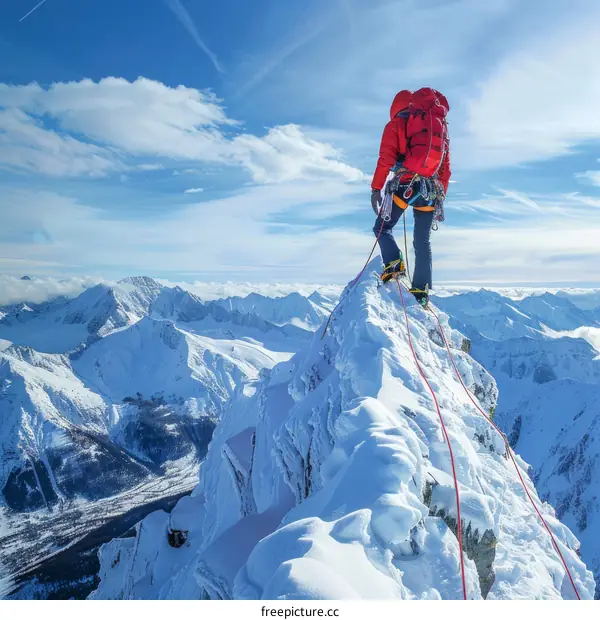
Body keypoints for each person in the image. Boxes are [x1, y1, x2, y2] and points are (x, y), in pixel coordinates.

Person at [370, 87, 451, 306]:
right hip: (430, 191)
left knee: (381, 228)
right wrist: (439, 197)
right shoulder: (438, 128)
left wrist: (376, 189)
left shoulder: (396, 124)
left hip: (405, 185)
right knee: (422, 241)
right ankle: (421, 291)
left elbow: (385, 159)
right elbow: (445, 169)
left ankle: (394, 264)